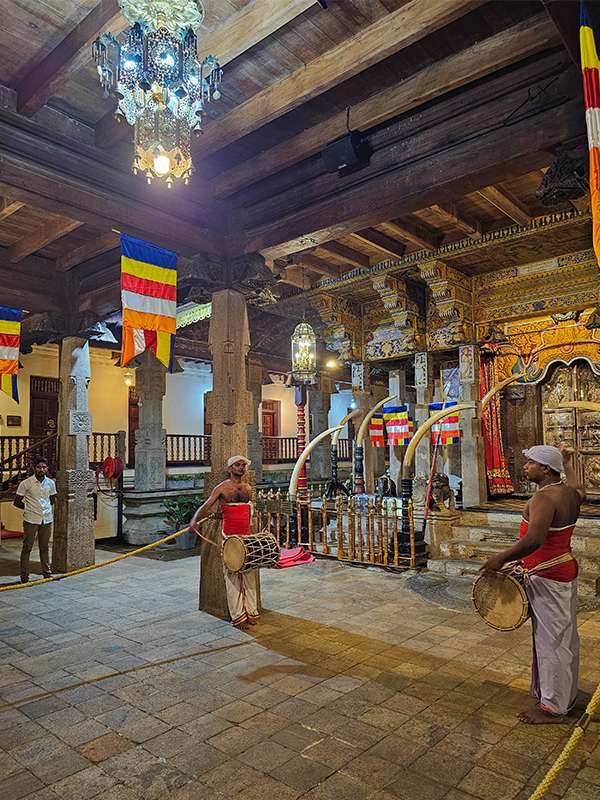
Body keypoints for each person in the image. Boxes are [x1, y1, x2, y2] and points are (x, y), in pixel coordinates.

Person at [481, 444, 585, 724]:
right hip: (562, 568)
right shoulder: (569, 493)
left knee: (552, 641)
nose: (526, 467)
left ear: (546, 469)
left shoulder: (544, 498)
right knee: (563, 637)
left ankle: (553, 707)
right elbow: (580, 489)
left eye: (531, 463)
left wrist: (500, 558)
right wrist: (568, 463)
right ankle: (561, 695)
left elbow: (534, 540)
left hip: (548, 575)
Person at [190, 455, 259, 627]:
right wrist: (194, 520)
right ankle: (238, 616)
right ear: (230, 468)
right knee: (232, 575)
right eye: (237, 465)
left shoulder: (247, 488)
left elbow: (250, 511)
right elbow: (206, 505)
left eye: (243, 465)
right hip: (229, 536)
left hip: (247, 536)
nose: (241, 467)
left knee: (249, 573)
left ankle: (252, 612)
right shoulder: (222, 488)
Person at [14, 457, 57, 583]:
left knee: (44, 547)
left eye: (44, 467)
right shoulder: (26, 483)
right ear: (34, 468)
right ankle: (24, 576)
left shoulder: (51, 483)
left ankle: (47, 573)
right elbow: (17, 502)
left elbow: (52, 499)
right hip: (31, 519)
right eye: (38, 467)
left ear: (47, 468)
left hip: (46, 519)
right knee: (27, 547)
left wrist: (45, 509)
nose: (41, 469)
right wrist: (30, 508)